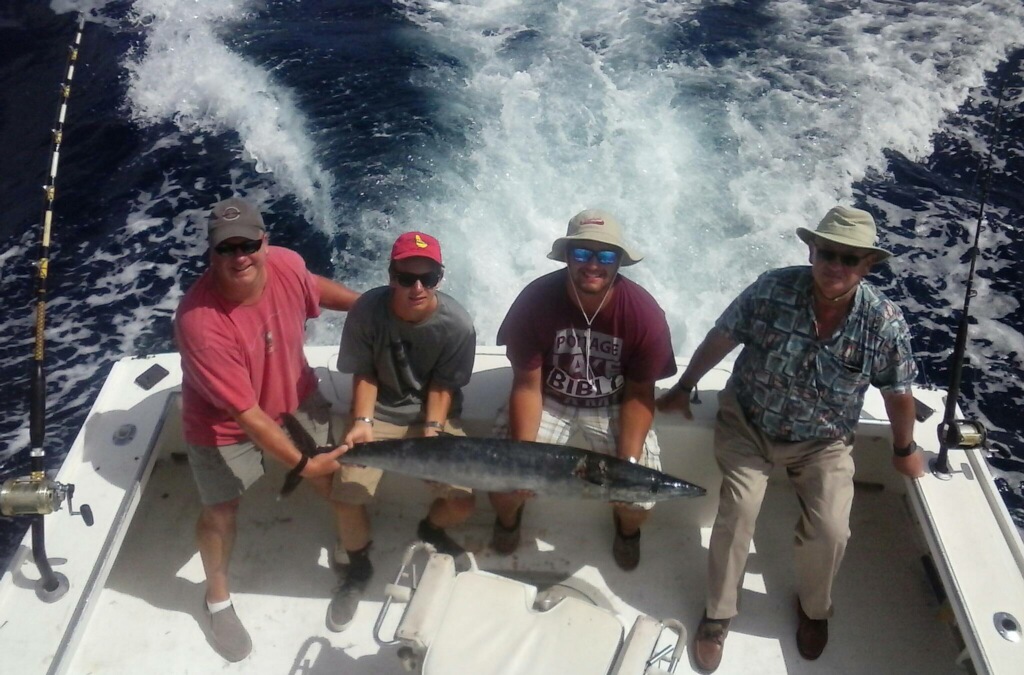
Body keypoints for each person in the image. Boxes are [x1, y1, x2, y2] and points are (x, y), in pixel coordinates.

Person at [657, 206, 925, 672]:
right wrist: (684, 387)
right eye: (827, 252)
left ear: (867, 265)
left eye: (850, 257)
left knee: (831, 530)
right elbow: (724, 336)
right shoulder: (773, 287)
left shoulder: (884, 323)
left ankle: (814, 609)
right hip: (749, 424)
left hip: (824, 441)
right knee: (738, 510)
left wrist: (903, 450)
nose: (835, 265)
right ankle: (718, 616)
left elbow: (898, 393)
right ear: (811, 250)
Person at [175, 197, 360, 662]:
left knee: (338, 483)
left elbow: (312, 287)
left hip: (294, 395)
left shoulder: (287, 264)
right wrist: (302, 462)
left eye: (249, 244)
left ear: (265, 242)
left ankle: (351, 556)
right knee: (221, 512)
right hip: (222, 423)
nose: (240, 257)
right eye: (226, 248)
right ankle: (217, 600)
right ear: (211, 253)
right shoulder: (199, 322)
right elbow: (248, 417)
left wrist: (371, 307)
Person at [489, 209, 677, 571]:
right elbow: (527, 386)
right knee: (504, 482)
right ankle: (508, 520)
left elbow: (640, 394)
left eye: (606, 256)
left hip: (614, 404)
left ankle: (626, 532)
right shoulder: (535, 301)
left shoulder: (645, 315)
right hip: (549, 399)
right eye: (582, 254)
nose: (593, 265)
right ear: (566, 257)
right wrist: (525, 459)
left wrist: (628, 463)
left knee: (637, 500)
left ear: (619, 262)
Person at [326, 231, 477, 632]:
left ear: (440, 277)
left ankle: (432, 529)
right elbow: (365, 371)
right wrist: (361, 422)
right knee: (347, 496)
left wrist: (432, 431)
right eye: (406, 276)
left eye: (428, 277)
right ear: (390, 275)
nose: (417, 287)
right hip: (377, 412)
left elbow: (445, 386)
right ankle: (358, 568)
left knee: (461, 501)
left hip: (433, 416)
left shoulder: (458, 325)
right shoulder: (366, 311)